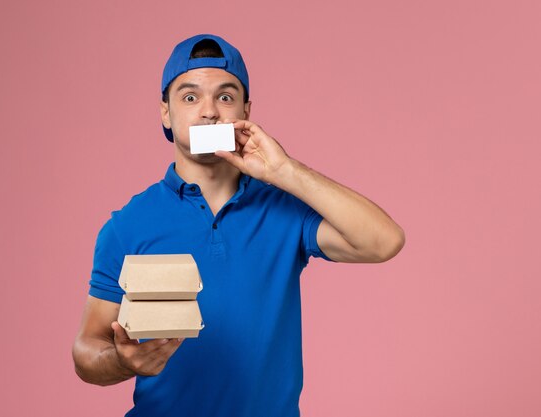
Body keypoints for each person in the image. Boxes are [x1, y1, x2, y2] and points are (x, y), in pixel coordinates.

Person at [72, 34, 405, 417]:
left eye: (225, 97)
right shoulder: (127, 225)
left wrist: (285, 170)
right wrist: (124, 360)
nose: (209, 111)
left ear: (246, 110)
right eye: (190, 97)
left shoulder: (284, 210)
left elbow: (384, 241)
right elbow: (86, 350)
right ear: (165, 112)